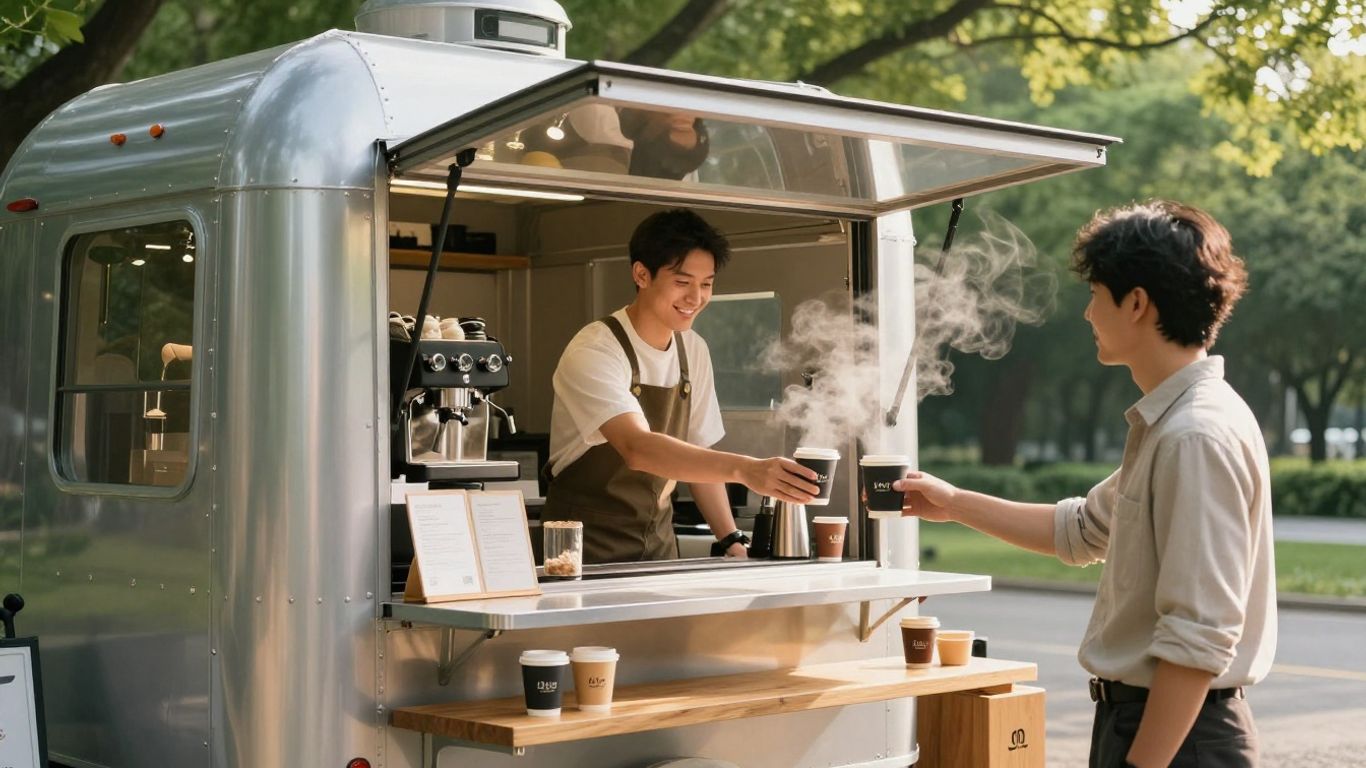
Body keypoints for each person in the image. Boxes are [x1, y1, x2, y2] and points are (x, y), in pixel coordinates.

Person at [897, 201, 1275, 767]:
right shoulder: (1172, 422)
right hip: (1150, 725)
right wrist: (952, 503)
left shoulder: (1194, 435)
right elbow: (1080, 530)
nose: (1087, 313)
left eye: (1096, 293)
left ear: (1138, 303)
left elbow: (1198, 640)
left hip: (1178, 737)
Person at [542, 209, 818, 563]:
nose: (696, 298)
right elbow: (637, 448)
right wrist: (747, 469)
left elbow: (699, 456)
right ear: (641, 274)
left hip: (658, 546)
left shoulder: (693, 350)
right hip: (580, 552)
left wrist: (731, 540)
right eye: (682, 282)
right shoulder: (595, 348)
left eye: (706, 284)